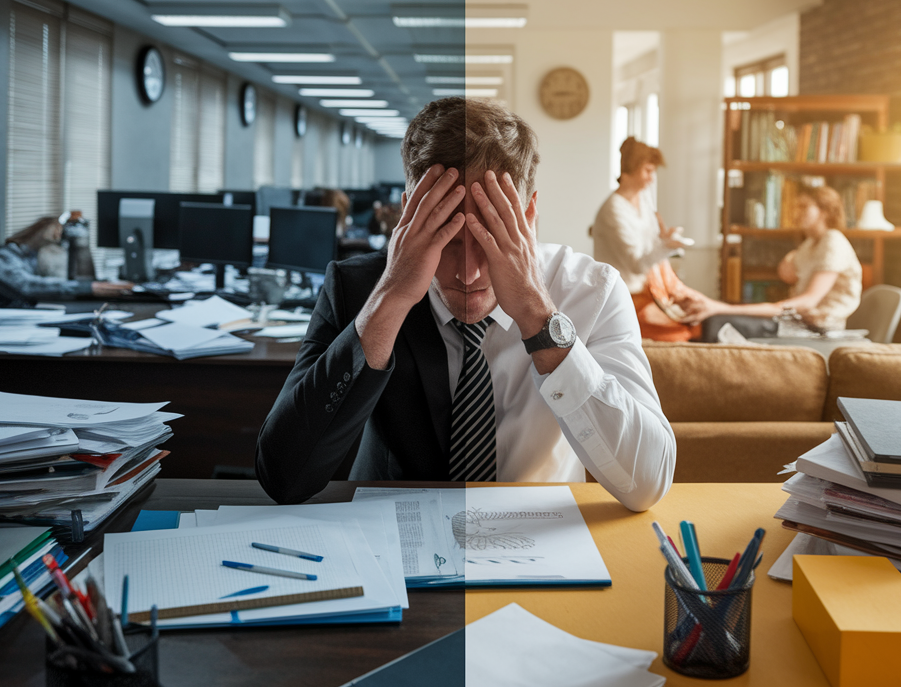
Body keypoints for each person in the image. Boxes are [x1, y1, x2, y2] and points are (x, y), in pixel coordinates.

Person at [256, 98, 675, 511]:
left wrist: (538, 316)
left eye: (490, 240)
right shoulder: (357, 287)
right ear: (409, 217)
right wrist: (392, 298)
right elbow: (283, 478)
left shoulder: (592, 291)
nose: (468, 273)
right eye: (448, 241)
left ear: (528, 215)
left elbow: (646, 484)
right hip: (393, 533)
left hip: (542, 535)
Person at [678, 185, 863, 341]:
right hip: (798, 320)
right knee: (718, 315)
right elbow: (786, 274)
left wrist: (719, 307)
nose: (797, 212)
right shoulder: (811, 244)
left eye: (805, 207)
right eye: (797, 207)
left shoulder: (833, 241)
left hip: (817, 330)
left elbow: (808, 302)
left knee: (717, 321)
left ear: (825, 212)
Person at [590, 137, 698, 341]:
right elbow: (637, 265)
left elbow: (650, 245)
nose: (652, 178)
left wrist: (664, 238)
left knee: (696, 319)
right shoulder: (613, 209)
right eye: (648, 171)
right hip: (624, 297)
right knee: (681, 333)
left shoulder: (643, 200)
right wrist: (666, 246)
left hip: (646, 291)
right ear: (630, 170)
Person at [0, 216, 132, 307]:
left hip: (35, 309)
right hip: (12, 317)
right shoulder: (2, 258)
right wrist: (86, 287)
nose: (59, 234)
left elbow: (52, 279)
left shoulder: (34, 256)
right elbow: (28, 286)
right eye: (56, 228)